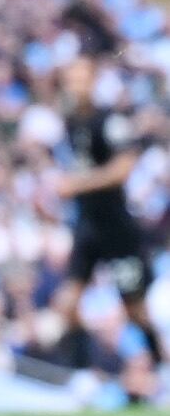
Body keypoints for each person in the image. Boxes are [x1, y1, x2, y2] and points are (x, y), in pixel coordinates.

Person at [54, 53, 164, 370]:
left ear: (93, 82)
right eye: (71, 79)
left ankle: (158, 367)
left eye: (81, 78)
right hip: (88, 227)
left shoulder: (110, 121)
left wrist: (77, 185)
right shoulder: (72, 123)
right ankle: (81, 374)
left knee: (136, 310)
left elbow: (124, 168)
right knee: (68, 303)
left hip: (116, 229)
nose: (75, 86)